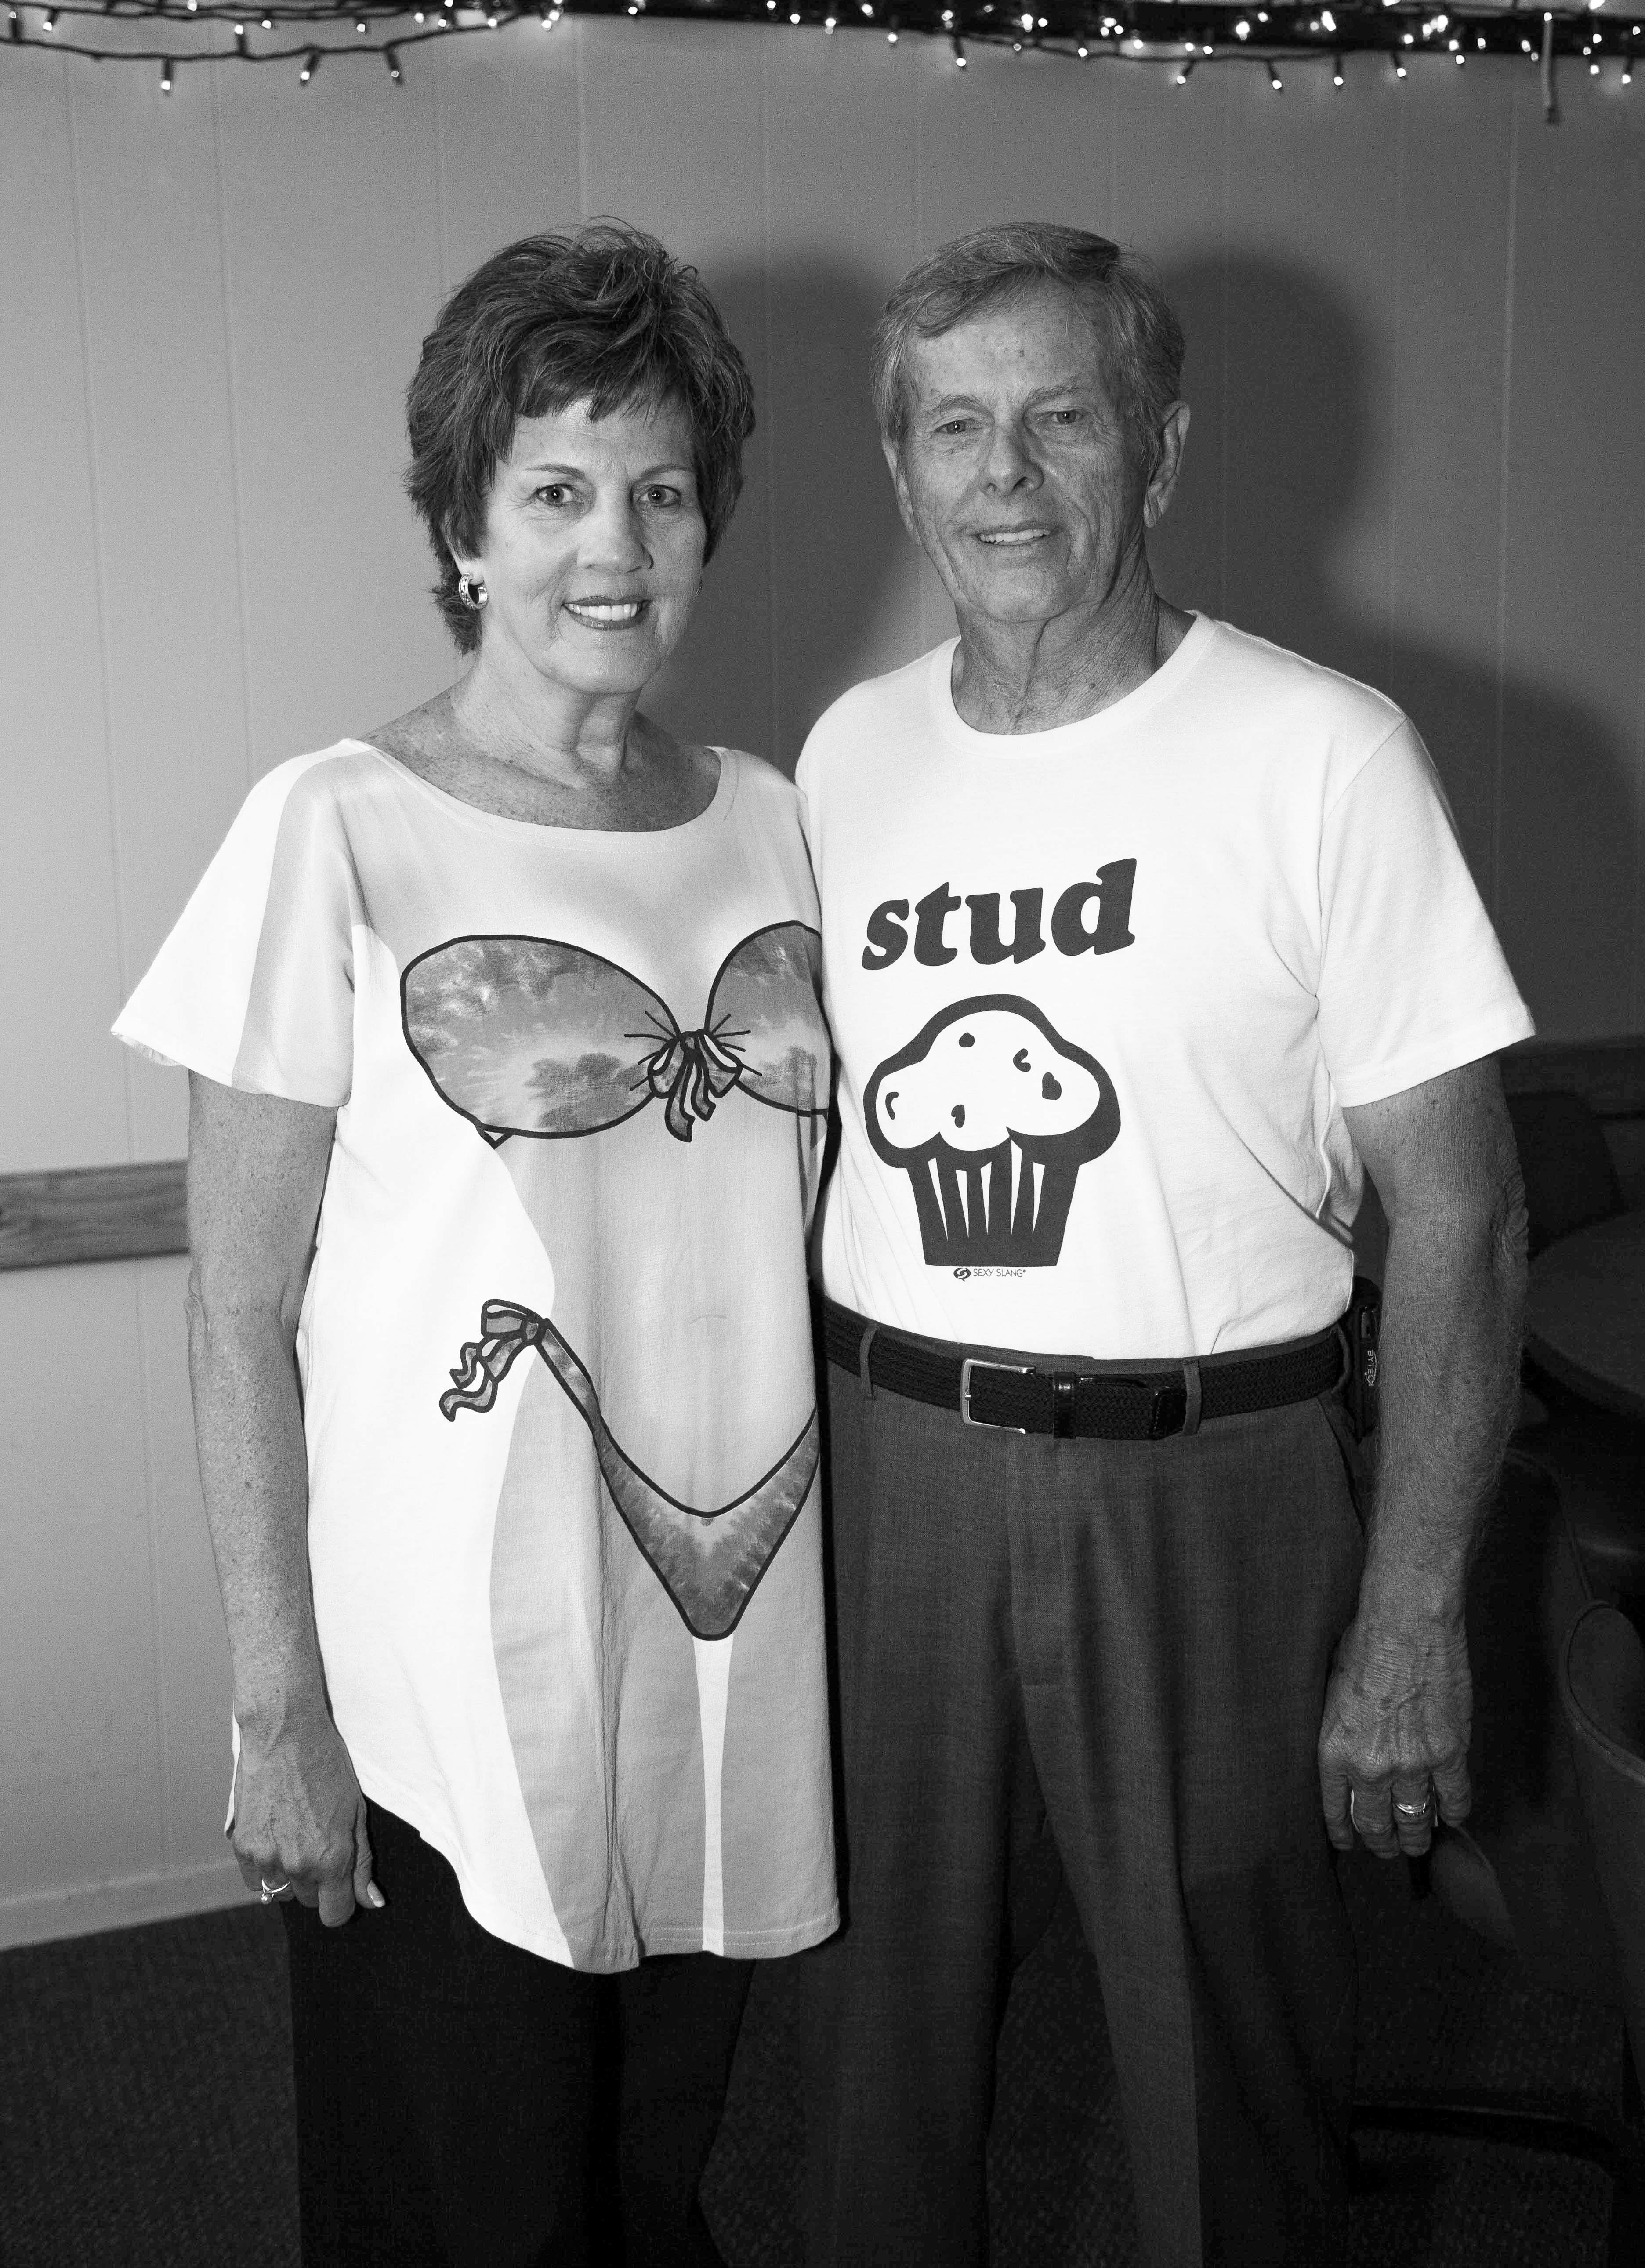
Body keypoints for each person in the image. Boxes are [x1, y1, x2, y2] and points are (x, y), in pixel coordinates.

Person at [795, 221, 1532, 2266]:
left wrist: (1411, 1621)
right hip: (895, 1479)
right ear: (902, 472)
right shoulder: (849, 757)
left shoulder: (1323, 755)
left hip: (1217, 1493)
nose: (1007, 475)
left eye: (1062, 418)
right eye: (957, 428)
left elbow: (1465, 1217)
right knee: (864, 2064)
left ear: (1163, 448)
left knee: (1231, 2085)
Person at [114, 221, 837, 2266]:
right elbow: (237, 1308)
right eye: (555, 492)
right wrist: (279, 1703)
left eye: (662, 492)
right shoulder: (336, 827)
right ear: (461, 529)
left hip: (723, 1653)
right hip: (447, 1683)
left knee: (650, 2182)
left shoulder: (775, 819)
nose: (615, 547)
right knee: (465, 2202)